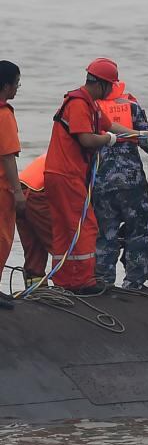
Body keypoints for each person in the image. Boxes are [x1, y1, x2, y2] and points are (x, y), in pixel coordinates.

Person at [44, 58, 148, 294]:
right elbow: (87, 139)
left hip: (65, 174)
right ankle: (84, 282)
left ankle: (64, 281)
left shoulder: (90, 104)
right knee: (86, 226)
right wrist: (107, 139)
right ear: (103, 84)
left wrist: (137, 134)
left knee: (66, 229)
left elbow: (111, 126)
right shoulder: (79, 104)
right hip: (67, 174)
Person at [93, 81, 148, 290]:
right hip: (132, 183)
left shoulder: (92, 108)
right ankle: (134, 283)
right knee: (138, 232)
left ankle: (103, 281)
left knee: (105, 234)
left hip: (101, 183)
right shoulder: (131, 106)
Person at [0, 61, 22, 308]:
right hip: (2, 188)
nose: (17, 88)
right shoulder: (3, 115)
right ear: (6, 86)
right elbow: (7, 156)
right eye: (16, 83)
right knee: (3, 237)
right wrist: (18, 192)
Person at [15, 155, 52, 291]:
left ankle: (35, 290)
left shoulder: (54, 153)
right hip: (38, 195)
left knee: (34, 249)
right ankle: (73, 286)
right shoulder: (84, 155)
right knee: (61, 243)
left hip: (20, 194)